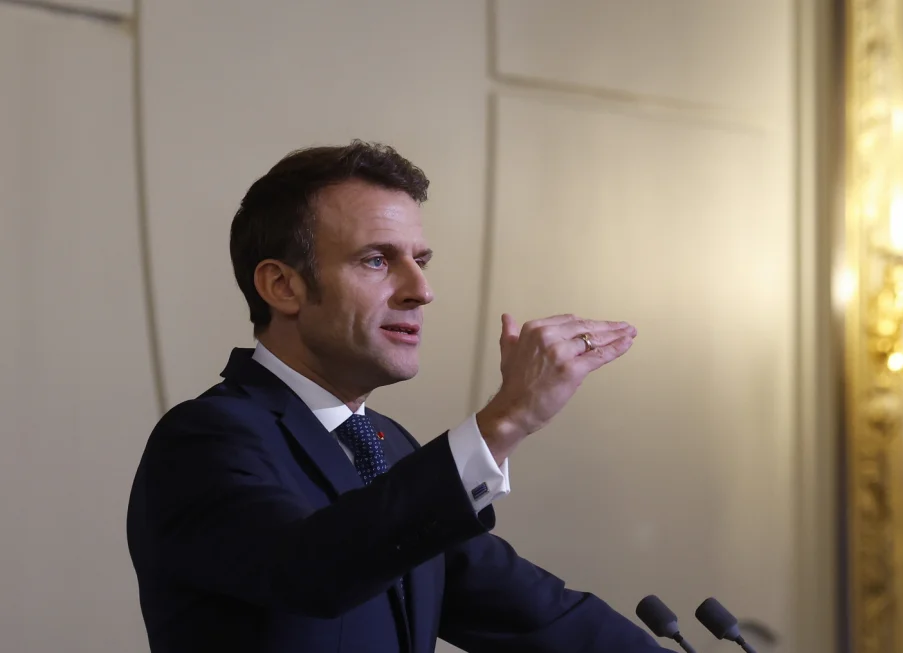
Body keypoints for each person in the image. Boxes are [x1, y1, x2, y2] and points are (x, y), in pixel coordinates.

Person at [125, 141, 671, 653]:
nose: (421, 290)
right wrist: (507, 419)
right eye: (376, 260)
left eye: (421, 260)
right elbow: (311, 570)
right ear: (282, 287)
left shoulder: (391, 449)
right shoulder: (205, 439)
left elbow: (534, 615)